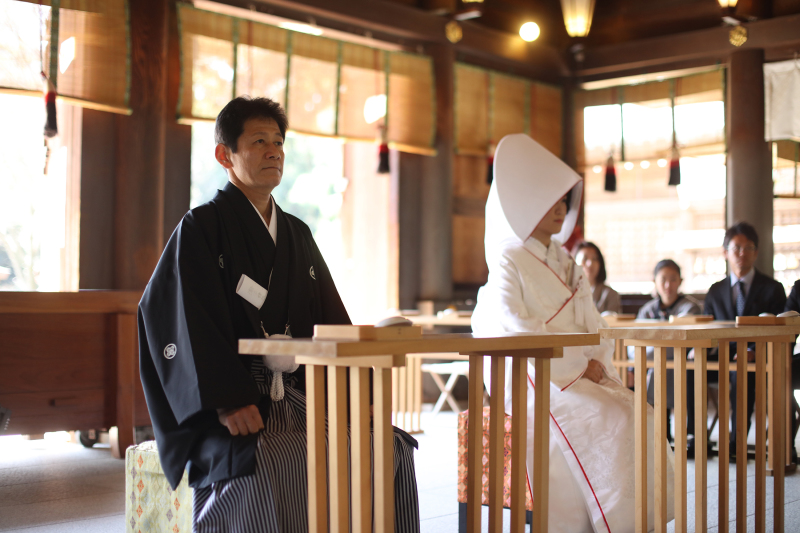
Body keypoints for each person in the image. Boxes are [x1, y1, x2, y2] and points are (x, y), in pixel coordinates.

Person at [138, 96, 420, 532]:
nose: (274, 151)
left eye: (279, 142)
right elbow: (179, 320)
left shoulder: (297, 233)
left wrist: (355, 392)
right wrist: (227, 400)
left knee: (390, 445)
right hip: (236, 400)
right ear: (224, 155)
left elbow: (331, 319)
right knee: (273, 459)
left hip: (300, 392)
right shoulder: (200, 229)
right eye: (258, 141)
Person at [471, 133, 674, 532]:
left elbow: (592, 322)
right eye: (552, 199)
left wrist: (597, 363)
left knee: (641, 413)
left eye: (564, 200)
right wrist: (578, 368)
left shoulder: (567, 262)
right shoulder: (509, 259)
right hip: (540, 378)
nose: (562, 208)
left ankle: (636, 524)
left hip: (579, 372)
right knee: (613, 416)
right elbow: (513, 324)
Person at [703, 222, 786, 458]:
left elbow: (777, 331)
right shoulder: (715, 290)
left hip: (756, 356)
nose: (742, 253)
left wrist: (753, 350)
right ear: (725, 252)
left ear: (756, 252)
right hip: (719, 356)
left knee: (742, 369)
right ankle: (693, 436)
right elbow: (708, 327)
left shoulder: (773, 289)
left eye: (748, 247)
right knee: (688, 366)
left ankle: (737, 440)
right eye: (736, 247)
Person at [636, 259, 701, 449]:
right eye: (663, 279)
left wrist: (657, 347)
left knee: (666, 367)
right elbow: (634, 345)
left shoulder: (691, 307)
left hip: (684, 364)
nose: (667, 285)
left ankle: (687, 433)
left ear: (680, 281)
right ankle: (659, 432)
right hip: (654, 363)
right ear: (654, 281)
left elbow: (687, 340)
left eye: (673, 279)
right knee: (657, 368)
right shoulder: (647, 310)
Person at [575, 241, 622, 314]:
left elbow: (612, 323)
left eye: (594, 259)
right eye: (585, 258)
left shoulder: (610, 294)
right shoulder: (567, 292)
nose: (590, 264)